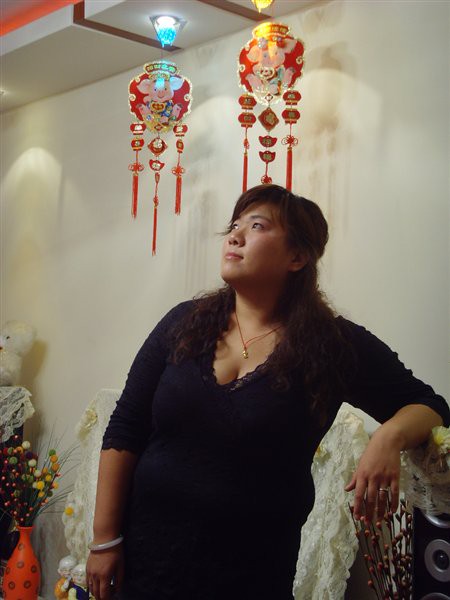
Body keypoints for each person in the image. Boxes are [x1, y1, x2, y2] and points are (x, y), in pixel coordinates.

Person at [86, 184, 449, 600]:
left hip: (252, 573)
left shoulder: (332, 345)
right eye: (234, 226)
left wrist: (389, 436)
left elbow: (430, 405)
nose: (235, 236)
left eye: (256, 226)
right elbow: (126, 427)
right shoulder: (183, 323)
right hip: (146, 564)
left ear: (297, 257)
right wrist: (105, 540)